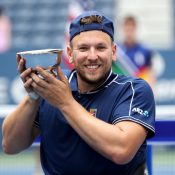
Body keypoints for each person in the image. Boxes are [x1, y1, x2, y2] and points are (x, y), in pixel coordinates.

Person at [2, 11, 155, 175]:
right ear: (69, 53)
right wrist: (32, 97)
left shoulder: (133, 90)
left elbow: (121, 150)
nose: (92, 56)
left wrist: (65, 103)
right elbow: (10, 145)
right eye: (83, 48)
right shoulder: (53, 86)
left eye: (100, 47)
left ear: (114, 51)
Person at [116, 15, 155, 89]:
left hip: (139, 91)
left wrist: (152, 91)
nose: (129, 33)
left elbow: (150, 74)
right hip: (122, 90)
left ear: (135, 29)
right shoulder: (116, 50)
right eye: (127, 30)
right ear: (123, 29)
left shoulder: (145, 50)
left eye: (131, 30)